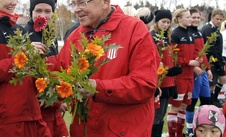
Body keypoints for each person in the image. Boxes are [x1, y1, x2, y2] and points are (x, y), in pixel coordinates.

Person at [51, 0, 160, 136]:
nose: (76, 9)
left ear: (105, 2)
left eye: (82, 3)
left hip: (123, 131)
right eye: (73, 4)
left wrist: (97, 88)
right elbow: (56, 79)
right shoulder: (74, 37)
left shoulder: (135, 30)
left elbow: (144, 84)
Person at [0, 0, 50, 136]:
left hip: (32, 115)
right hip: (8, 121)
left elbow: (27, 73)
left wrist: (39, 66)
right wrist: (24, 56)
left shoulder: (18, 29)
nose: (15, 2)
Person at [24, 0, 68, 136]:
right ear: (31, 12)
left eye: (47, 11)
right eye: (38, 10)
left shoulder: (50, 36)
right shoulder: (24, 38)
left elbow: (56, 72)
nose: (43, 15)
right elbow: (28, 84)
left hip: (54, 114)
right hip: (37, 117)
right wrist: (56, 102)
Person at [167, 8, 200, 137]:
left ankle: (179, 134)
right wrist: (188, 61)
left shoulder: (191, 34)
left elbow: (192, 54)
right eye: (187, 17)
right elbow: (172, 57)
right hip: (180, 77)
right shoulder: (175, 34)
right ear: (179, 19)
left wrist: (197, 60)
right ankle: (172, 134)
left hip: (189, 76)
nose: (190, 19)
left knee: (184, 106)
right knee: (175, 106)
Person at [150, 9, 182, 137]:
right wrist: (165, 72)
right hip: (158, 81)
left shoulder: (167, 37)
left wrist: (172, 79)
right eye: (163, 22)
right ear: (157, 22)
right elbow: (153, 60)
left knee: (162, 114)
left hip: (166, 81)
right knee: (156, 116)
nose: (166, 25)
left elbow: (169, 58)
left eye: (168, 22)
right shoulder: (152, 37)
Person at [185, 8, 213, 136]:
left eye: (198, 17)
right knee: (192, 101)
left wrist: (208, 68)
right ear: (188, 18)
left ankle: (202, 127)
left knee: (206, 100)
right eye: (193, 17)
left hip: (203, 72)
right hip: (194, 72)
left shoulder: (200, 33)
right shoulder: (187, 34)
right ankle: (189, 129)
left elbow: (203, 53)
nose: (196, 20)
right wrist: (194, 67)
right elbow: (187, 55)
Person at [201, 9, 226, 108]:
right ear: (212, 18)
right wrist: (218, 64)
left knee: (215, 83)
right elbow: (211, 48)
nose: (219, 21)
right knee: (210, 84)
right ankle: (211, 103)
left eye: (221, 19)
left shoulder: (216, 29)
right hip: (210, 61)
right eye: (217, 19)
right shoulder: (208, 29)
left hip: (216, 61)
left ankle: (214, 100)